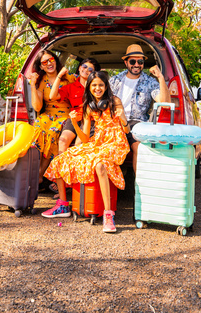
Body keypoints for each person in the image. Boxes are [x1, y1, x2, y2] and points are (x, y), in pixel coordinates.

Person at [42, 71, 130, 233]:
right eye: (94, 85)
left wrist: (123, 119)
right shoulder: (88, 106)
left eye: (101, 85)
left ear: (106, 86)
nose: (97, 88)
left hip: (116, 143)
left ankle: (108, 215)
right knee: (61, 159)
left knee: (99, 164)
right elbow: (84, 138)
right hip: (97, 143)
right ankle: (63, 205)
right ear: (89, 87)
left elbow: (126, 130)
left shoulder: (114, 101)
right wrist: (75, 123)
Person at [109, 44, 171, 173]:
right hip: (114, 121)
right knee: (106, 146)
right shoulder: (115, 80)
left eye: (140, 61)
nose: (136, 64)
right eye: (132, 61)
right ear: (126, 62)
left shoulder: (149, 82)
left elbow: (165, 103)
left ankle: (139, 188)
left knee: (138, 146)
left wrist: (160, 77)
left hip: (137, 123)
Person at [48, 58, 100, 197]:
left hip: (91, 119)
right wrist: (59, 75)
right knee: (63, 140)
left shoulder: (95, 86)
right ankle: (62, 184)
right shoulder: (71, 86)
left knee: (79, 145)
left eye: (91, 69)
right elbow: (52, 96)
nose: (86, 70)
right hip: (74, 118)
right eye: (84, 66)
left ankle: (73, 182)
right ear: (79, 68)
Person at [29, 49, 76, 188]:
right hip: (48, 114)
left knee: (52, 132)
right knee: (37, 128)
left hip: (65, 115)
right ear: (41, 66)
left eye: (51, 59)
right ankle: (32, 172)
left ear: (55, 60)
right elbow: (37, 108)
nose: (49, 63)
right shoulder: (41, 81)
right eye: (45, 62)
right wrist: (33, 85)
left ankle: (40, 174)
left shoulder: (69, 77)